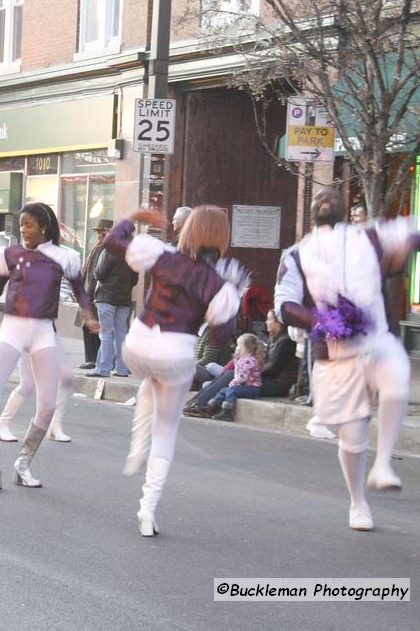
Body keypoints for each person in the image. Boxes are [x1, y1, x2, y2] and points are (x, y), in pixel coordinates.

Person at [274, 186, 417, 531]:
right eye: (320, 197)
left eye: (332, 196)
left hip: (378, 339)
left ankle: (383, 464)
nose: (326, 198)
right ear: (311, 212)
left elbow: (410, 231)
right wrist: (320, 321)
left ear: (345, 209)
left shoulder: (370, 237)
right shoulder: (295, 254)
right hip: (335, 354)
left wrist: (406, 244)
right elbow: (283, 303)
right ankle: (358, 503)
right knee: (352, 437)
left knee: (396, 373)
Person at [108, 206, 246, 537]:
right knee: (166, 431)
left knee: (148, 384)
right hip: (175, 354)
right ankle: (147, 509)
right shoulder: (217, 283)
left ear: (188, 231)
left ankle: (135, 449)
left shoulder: (161, 254)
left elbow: (114, 241)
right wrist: (232, 294)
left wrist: (136, 215)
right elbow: (220, 335)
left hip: (137, 346)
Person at [0, 203, 96, 491]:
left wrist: (90, 316)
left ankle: (23, 464)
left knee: (46, 404)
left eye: (28, 225)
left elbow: (81, 291)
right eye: (21, 225)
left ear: (43, 227)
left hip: (43, 332)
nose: (23, 230)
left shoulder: (65, 257)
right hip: (11, 330)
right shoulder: (9, 254)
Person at [0, 333, 75, 443]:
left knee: (66, 377)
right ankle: (2, 424)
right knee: (27, 384)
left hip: (49, 331)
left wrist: (88, 316)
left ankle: (55, 425)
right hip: (28, 331)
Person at [87, 236, 138, 378]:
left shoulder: (108, 251)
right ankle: (121, 368)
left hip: (106, 298)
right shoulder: (132, 256)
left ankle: (103, 368)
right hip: (124, 299)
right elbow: (135, 280)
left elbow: (99, 273)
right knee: (121, 334)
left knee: (105, 334)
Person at [205, 333, 265, 421]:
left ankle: (227, 412)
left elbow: (242, 377)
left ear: (245, 348)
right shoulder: (241, 359)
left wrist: (233, 383)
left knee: (231, 391)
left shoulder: (249, 360)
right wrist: (236, 358)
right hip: (243, 386)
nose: (236, 348)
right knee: (223, 391)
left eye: (238, 346)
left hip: (251, 388)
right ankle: (213, 407)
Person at [78, 221, 110, 369]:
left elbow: (94, 275)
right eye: (97, 232)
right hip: (97, 295)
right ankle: (94, 359)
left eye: (100, 232)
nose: (98, 235)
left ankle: (92, 360)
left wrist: (88, 296)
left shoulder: (102, 249)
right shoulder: (100, 248)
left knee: (90, 327)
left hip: (96, 295)